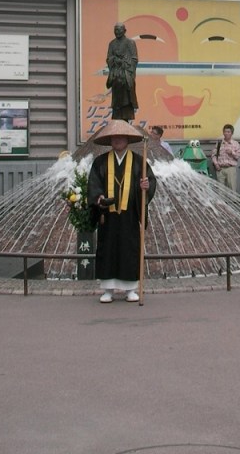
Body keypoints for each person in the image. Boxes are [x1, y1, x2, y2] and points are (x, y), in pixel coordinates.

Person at [88, 120, 156, 303]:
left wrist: (145, 186)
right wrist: (99, 197)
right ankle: (107, 290)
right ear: (110, 140)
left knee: (129, 249)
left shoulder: (139, 161)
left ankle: (130, 289)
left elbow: (150, 182)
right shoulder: (100, 161)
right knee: (107, 249)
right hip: (108, 216)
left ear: (127, 139)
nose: (117, 140)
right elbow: (94, 184)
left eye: (121, 137)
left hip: (129, 215)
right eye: (114, 137)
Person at [106, 22, 139, 121]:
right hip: (116, 75)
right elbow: (109, 58)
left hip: (126, 75)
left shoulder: (130, 43)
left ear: (124, 31)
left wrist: (125, 63)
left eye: (119, 30)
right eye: (115, 30)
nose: (117, 32)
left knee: (127, 99)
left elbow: (134, 59)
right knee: (117, 101)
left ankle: (126, 118)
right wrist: (114, 60)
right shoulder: (112, 44)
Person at [211, 123, 240, 190]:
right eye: (225, 132)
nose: (226, 133)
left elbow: (238, 156)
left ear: (232, 133)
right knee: (220, 189)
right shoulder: (219, 143)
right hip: (220, 169)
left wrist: (232, 153)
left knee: (232, 188)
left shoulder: (235, 144)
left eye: (228, 132)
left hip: (230, 169)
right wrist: (216, 164)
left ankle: (232, 198)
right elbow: (214, 155)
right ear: (223, 133)